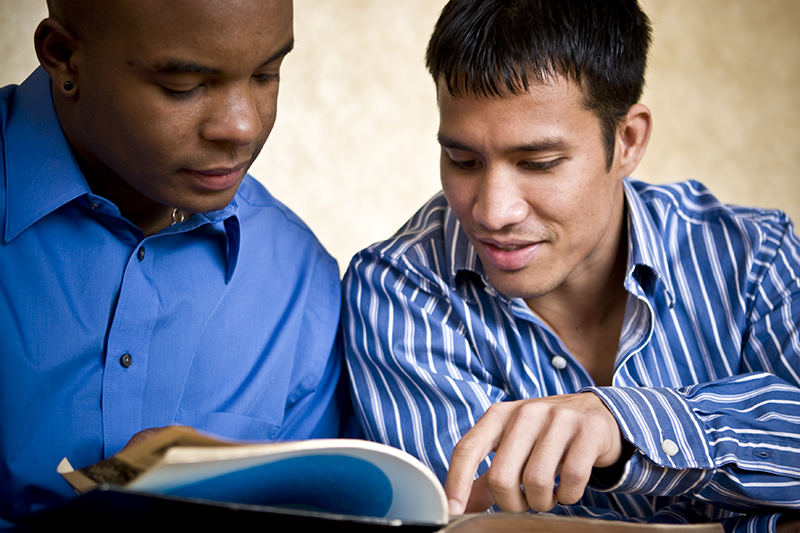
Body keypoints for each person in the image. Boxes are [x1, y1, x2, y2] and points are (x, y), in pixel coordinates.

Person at [343, 0, 800, 531]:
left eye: (538, 164)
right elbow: (478, 526)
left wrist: (623, 425)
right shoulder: (398, 290)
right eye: (463, 161)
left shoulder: (756, 255)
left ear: (627, 141)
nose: (492, 211)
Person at [0, 0, 350, 522]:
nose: (242, 127)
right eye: (184, 85)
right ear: (65, 56)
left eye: (266, 75)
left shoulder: (301, 282)